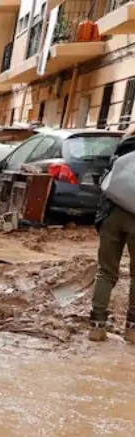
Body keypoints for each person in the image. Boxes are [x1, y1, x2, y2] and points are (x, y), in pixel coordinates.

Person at [89, 125, 135, 343]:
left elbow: (104, 185)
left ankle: (97, 327)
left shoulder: (121, 151)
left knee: (106, 272)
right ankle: (133, 330)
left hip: (112, 214)